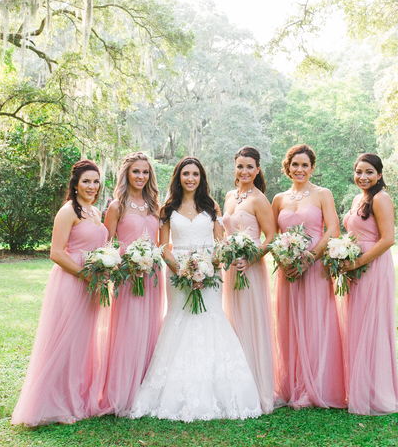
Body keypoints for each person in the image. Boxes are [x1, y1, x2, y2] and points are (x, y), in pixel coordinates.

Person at [128, 157, 262, 422]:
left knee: (209, 320)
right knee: (180, 320)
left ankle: (219, 391)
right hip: (177, 273)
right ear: (178, 177)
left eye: (196, 174)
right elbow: (163, 246)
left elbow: (220, 243)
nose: (191, 179)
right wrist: (182, 270)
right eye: (186, 174)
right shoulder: (168, 208)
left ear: (202, 178)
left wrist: (209, 267)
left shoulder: (210, 205)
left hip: (210, 272)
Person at [11, 160, 110, 426]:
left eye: (96, 181)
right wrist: (83, 274)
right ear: (76, 184)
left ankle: (75, 398)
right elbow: (55, 252)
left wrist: (102, 269)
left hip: (91, 285)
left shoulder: (96, 212)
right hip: (71, 282)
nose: (92, 186)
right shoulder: (68, 211)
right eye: (86, 181)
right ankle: (54, 404)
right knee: (64, 342)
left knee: (82, 343)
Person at [272, 144, 347, 409]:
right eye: (295, 165)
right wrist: (282, 259)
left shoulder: (322, 194)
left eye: (305, 165)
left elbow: (333, 230)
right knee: (288, 323)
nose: (300, 169)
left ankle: (315, 385)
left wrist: (310, 258)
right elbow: (272, 236)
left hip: (315, 268)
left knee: (316, 322)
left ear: (312, 168)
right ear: (287, 167)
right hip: (287, 270)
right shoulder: (279, 199)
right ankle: (291, 385)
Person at [341, 153, 398, 415]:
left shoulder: (381, 198)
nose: (363, 176)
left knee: (372, 325)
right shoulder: (358, 199)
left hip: (373, 266)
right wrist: (342, 253)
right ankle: (360, 387)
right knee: (358, 325)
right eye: (359, 171)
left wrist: (358, 262)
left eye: (369, 172)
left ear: (380, 175)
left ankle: (376, 392)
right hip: (354, 266)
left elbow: (388, 239)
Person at [102, 152, 166, 416]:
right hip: (126, 273)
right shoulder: (117, 205)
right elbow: (106, 244)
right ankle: (122, 392)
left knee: (151, 326)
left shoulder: (155, 206)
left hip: (152, 274)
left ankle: (145, 390)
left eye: (145, 172)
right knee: (128, 328)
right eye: (136, 172)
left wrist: (152, 259)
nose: (141, 177)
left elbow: (162, 242)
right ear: (126, 174)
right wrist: (121, 263)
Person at [221, 146, 278, 414]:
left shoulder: (259, 199)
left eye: (249, 167)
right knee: (232, 322)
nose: (244, 171)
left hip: (251, 268)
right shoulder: (229, 196)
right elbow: (225, 232)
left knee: (251, 321)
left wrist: (252, 258)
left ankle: (257, 388)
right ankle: (235, 385)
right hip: (231, 268)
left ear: (257, 170)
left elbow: (271, 236)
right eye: (240, 166)